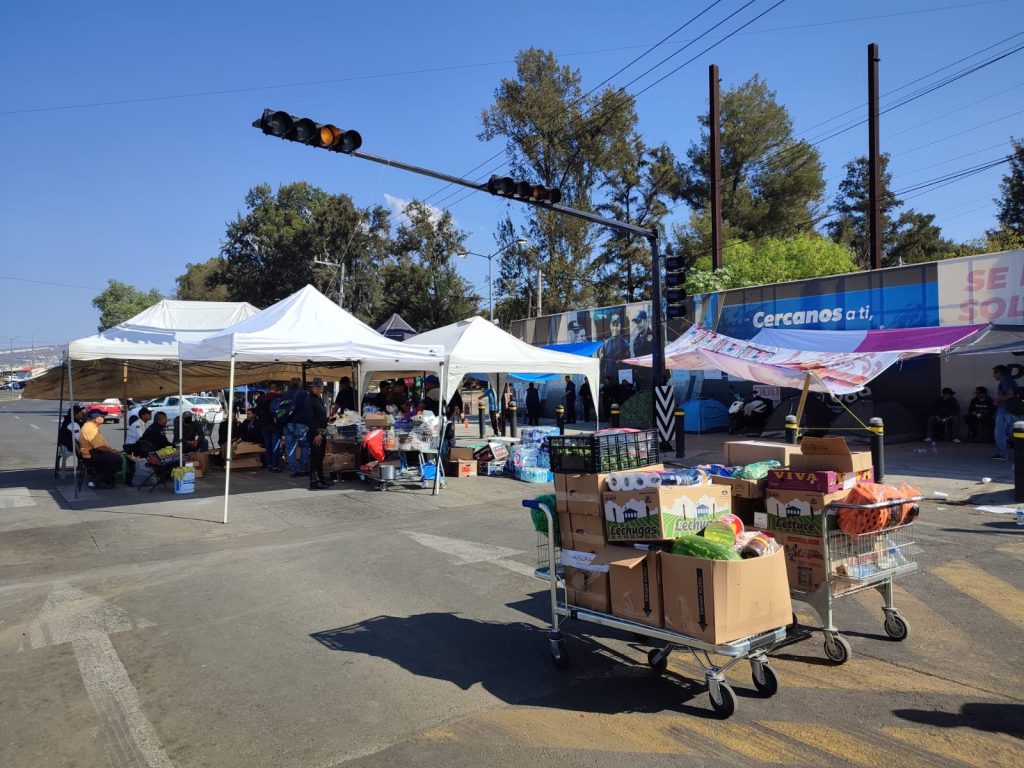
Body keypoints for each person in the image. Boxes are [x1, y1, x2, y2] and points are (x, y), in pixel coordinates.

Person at [79, 410, 122, 488]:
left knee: (115, 457)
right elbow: (99, 447)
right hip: (91, 454)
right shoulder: (89, 428)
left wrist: (111, 450)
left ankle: (106, 480)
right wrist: (111, 451)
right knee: (116, 459)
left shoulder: (92, 426)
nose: (103, 418)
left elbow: (101, 445)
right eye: (101, 416)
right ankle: (99, 481)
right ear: (95, 418)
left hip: (94, 452)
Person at [281, 377, 312, 477]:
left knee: (290, 448)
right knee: (305, 446)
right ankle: (303, 469)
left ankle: (294, 470)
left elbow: (281, 410)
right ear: (300, 384)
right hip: (301, 424)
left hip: (288, 424)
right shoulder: (304, 394)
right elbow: (308, 409)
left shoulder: (284, 394)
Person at [991, 365, 1019, 460]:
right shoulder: (1011, 381)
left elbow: (1010, 394)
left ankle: (1002, 454)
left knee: (1000, 433)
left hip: (1005, 410)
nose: (993, 376)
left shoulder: (1006, 381)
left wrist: (997, 400)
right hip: (1013, 411)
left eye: (994, 373)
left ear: (999, 373)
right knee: (1012, 433)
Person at [307, 378, 331, 489]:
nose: (319, 389)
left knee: (320, 457)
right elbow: (310, 419)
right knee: (315, 457)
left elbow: (320, 416)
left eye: (320, 387)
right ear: (312, 388)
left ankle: (321, 478)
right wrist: (317, 433)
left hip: (321, 431)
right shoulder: (310, 400)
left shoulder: (319, 399)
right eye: (317, 387)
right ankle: (314, 481)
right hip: (315, 433)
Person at [599, 313, 631, 384]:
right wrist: (602, 381)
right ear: (610, 326)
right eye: (613, 325)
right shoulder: (605, 344)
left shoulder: (625, 343)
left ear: (620, 326)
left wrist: (626, 379)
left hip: (622, 379)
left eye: (617, 325)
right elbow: (602, 365)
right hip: (609, 379)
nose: (615, 328)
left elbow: (628, 363)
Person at [256, 383, 282, 471]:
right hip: (275, 424)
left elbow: (257, 411)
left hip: (265, 424)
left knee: (267, 445)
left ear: (268, 388)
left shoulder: (262, 398)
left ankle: (269, 463)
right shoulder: (279, 397)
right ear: (276, 389)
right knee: (275, 445)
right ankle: (275, 464)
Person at [56, 405, 85, 478]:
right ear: (76, 414)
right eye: (81, 412)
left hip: (65, 445)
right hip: (70, 447)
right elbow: (79, 438)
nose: (83, 414)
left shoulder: (68, 421)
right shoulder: (73, 424)